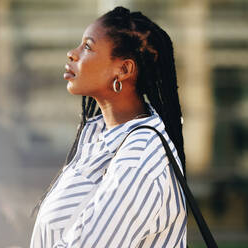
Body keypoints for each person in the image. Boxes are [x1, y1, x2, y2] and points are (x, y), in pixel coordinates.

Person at [30, 6, 187, 248]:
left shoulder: (139, 159)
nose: (72, 53)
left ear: (123, 70)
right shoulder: (98, 136)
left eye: (88, 47)